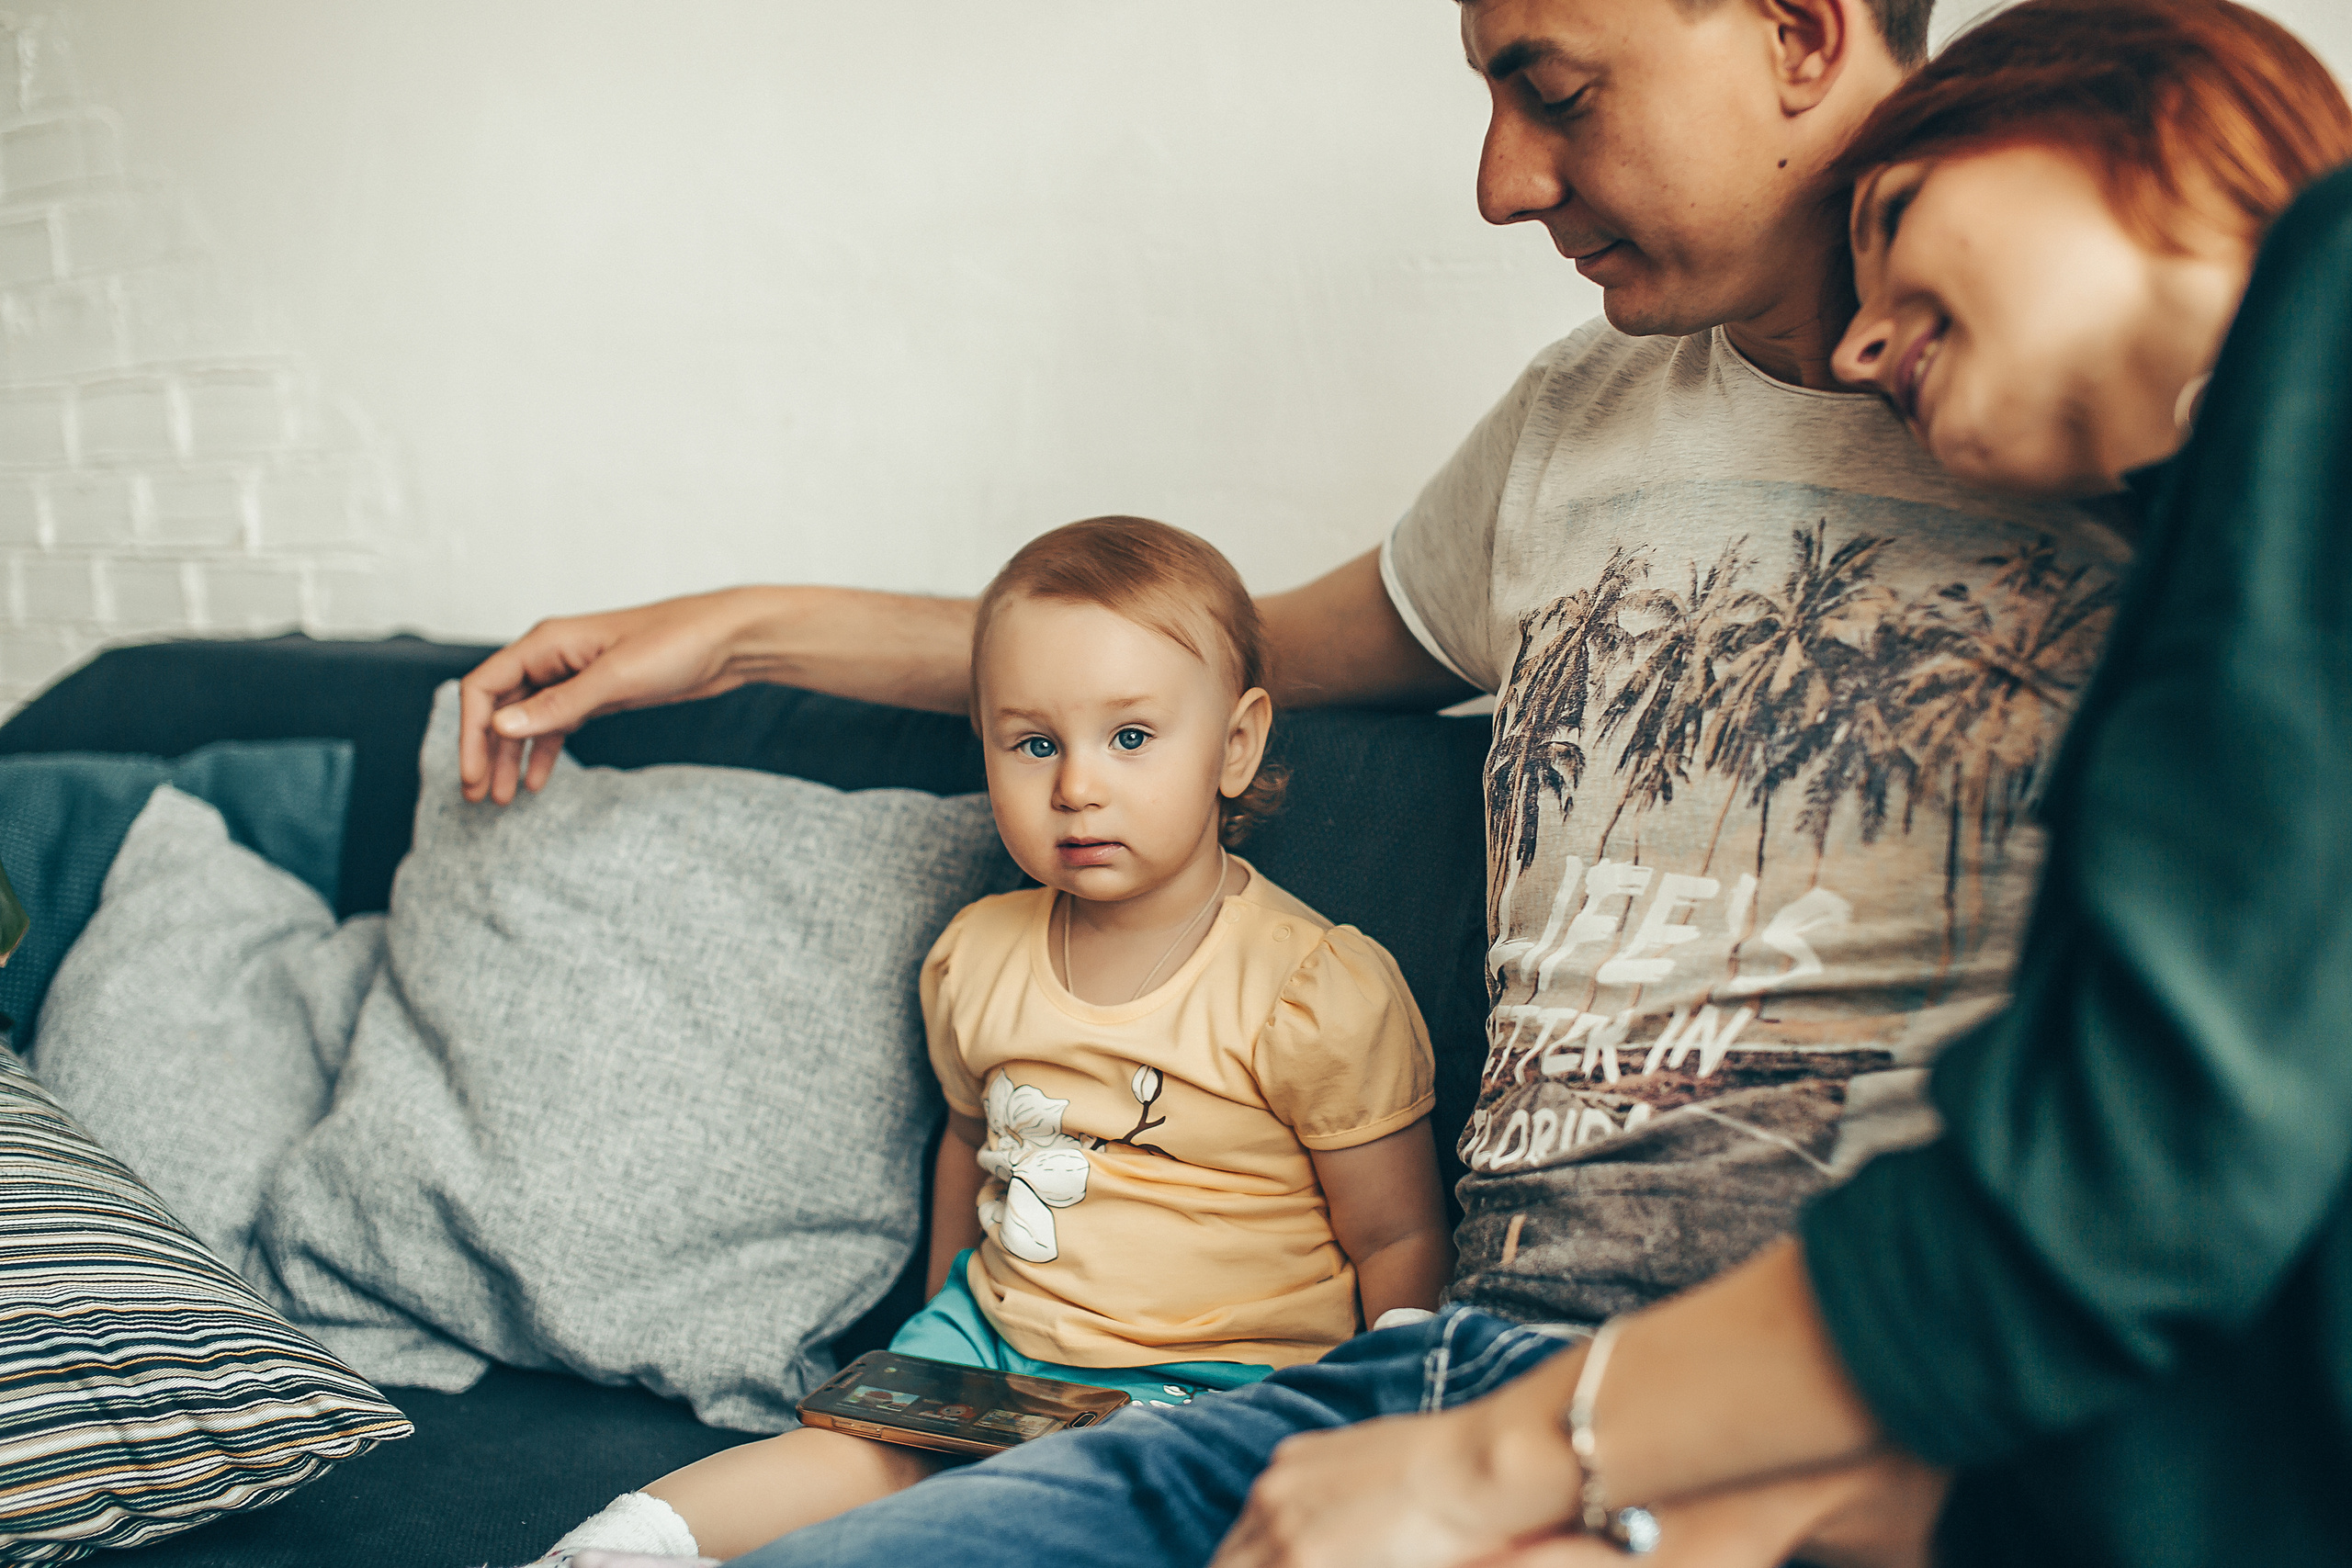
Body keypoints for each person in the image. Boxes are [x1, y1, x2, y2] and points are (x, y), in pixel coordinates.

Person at [1195, 3, 2352, 1566]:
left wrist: (1500, 1462)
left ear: (2111, 111)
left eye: (1899, 216)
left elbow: (2136, 1173)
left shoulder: (2332, 301)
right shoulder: (2202, 569)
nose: (1865, 351)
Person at [525, 518, 1450, 1566]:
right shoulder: (976, 956)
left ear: (1234, 746)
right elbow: (969, 1148)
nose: (1077, 787)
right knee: (845, 1454)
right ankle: (621, 1544)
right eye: (1034, 743)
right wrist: (930, 1335)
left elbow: (1395, 1238)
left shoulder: (1311, 986)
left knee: (1098, 1517)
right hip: (997, 1344)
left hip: (1223, 1384)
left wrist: (1398, 1420)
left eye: (1131, 738)